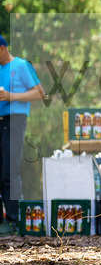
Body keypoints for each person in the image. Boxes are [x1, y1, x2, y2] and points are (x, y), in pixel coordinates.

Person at [0, 35, 44, 235]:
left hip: (15, 120)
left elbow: (39, 93)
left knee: (10, 168)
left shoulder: (21, 65)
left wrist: (11, 96)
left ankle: (13, 220)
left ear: (2, 48)